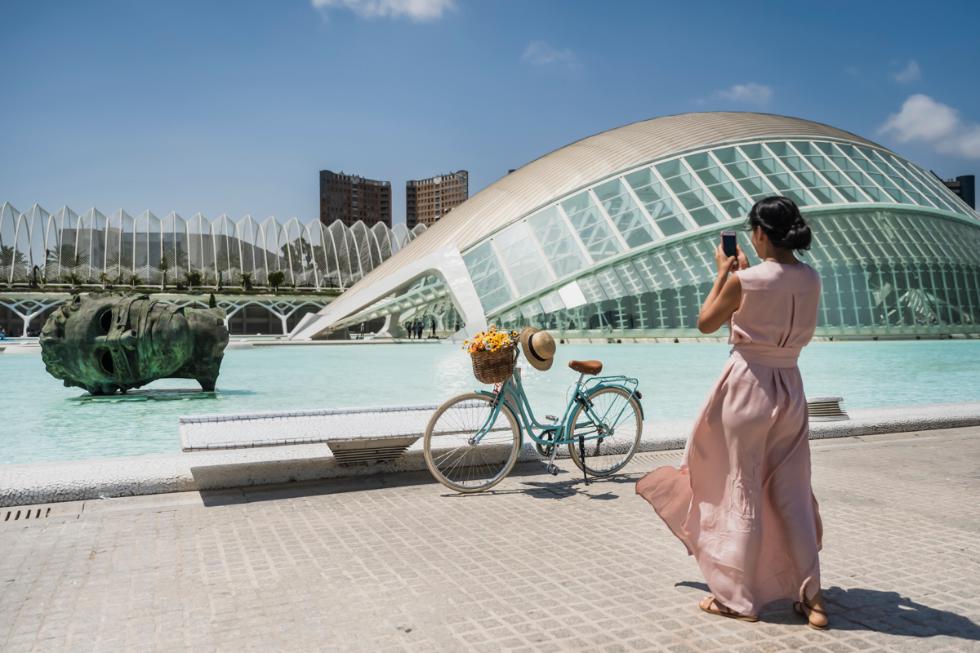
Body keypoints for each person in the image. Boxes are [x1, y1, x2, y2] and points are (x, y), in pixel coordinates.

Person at [636, 196, 828, 629]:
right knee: (794, 493)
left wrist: (725, 273)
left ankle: (739, 599)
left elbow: (706, 321)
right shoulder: (812, 278)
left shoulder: (747, 280)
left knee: (742, 488)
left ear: (759, 233)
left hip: (747, 387)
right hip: (791, 386)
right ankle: (814, 600)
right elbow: (779, 303)